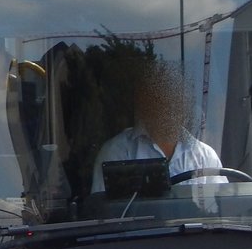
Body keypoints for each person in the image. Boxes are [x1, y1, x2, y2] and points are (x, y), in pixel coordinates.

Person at [90, 61, 222, 194]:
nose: (170, 109)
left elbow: (220, 209)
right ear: (147, 104)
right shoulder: (117, 152)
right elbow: (104, 211)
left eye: (177, 100)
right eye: (163, 100)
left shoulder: (205, 157)